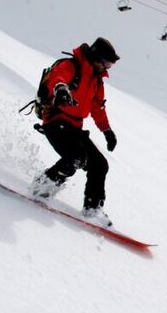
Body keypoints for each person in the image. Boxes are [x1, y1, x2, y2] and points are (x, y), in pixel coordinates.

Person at [30, 37, 120, 227]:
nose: (106, 68)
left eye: (110, 65)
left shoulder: (96, 81)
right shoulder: (72, 66)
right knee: (75, 157)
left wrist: (107, 131)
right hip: (56, 121)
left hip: (75, 127)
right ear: (96, 57)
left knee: (99, 164)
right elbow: (57, 78)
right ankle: (41, 187)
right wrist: (61, 89)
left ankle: (92, 209)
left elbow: (97, 109)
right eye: (106, 63)